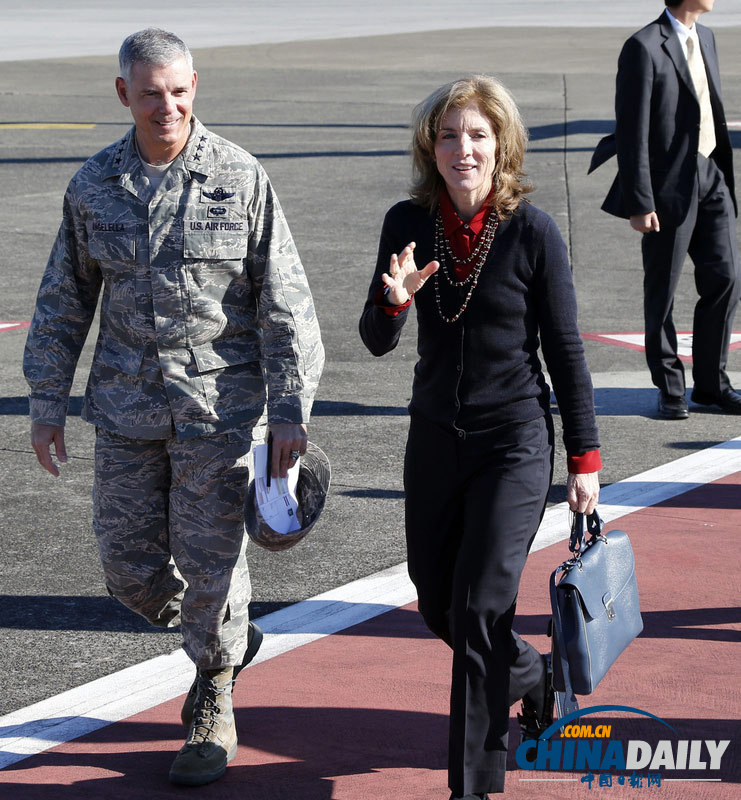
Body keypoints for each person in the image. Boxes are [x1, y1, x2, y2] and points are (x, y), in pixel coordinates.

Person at [23, 28, 324, 787]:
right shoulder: (94, 184)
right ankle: (224, 630)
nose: (168, 106)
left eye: (180, 91)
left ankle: (213, 691)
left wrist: (290, 407)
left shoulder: (239, 176)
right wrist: (46, 401)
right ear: (123, 93)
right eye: (151, 92)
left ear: (196, 88)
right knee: (127, 573)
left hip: (220, 411)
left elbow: (284, 299)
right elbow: (64, 300)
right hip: (126, 409)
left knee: (211, 560)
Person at [359, 75, 601, 799]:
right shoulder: (408, 222)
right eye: (447, 136)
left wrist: (584, 458)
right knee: (438, 603)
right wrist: (393, 302)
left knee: (478, 611)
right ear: (428, 148)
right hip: (435, 437)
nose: (461, 149)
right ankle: (535, 675)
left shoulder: (532, 231)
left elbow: (566, 351)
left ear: (501, 146)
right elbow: (374, 339)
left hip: (513, 442)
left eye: (476, 135)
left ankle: (471, 787)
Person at [590, 0, 740, 420]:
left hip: (711, 173)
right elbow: (632, 130)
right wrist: (640, 201)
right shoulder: (643, 46)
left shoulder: (705, 37)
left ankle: (711, 385)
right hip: (667, 186)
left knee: (727, 278)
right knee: (664, 290)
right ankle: (671, 386)